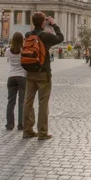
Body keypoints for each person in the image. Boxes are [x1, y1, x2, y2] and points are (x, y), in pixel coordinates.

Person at [22, 12, 64, 140]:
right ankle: (42, 132)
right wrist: (54, 24)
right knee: (43, 103)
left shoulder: (28, 35)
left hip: (29, 72)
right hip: (43, 73)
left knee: (28, 102)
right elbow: (60, 38)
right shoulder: (45, 36)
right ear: (43, 23)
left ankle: (27, 130)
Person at [5, 32, 26, 130]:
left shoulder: (8, 51)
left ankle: (10, 124)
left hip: (11, 77)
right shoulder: (24, 51)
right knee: (22, 102)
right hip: (22, 76)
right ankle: (21, 124)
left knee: (10, 102)